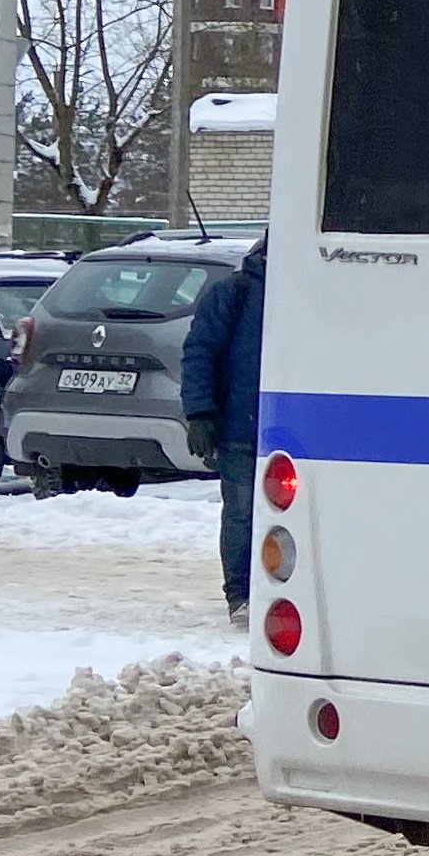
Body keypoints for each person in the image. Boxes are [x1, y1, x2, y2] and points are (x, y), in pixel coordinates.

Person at [181, 240, 268, 627]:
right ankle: (241, 594)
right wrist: (200, 414)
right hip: (240, 427)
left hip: (295, 427)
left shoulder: (310, 292)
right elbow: (200, 352)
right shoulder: (235, 292)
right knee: (242, 514)